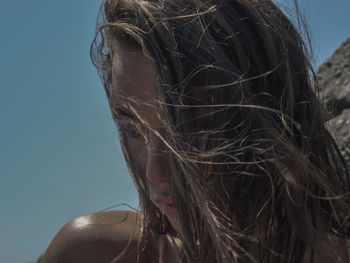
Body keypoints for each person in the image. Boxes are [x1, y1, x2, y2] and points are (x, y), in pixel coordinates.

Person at [41, 0, 350, 262]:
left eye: (192, 123)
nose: (155, 171)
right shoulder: (93, 253)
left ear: (272, 110)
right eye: (133, 129)